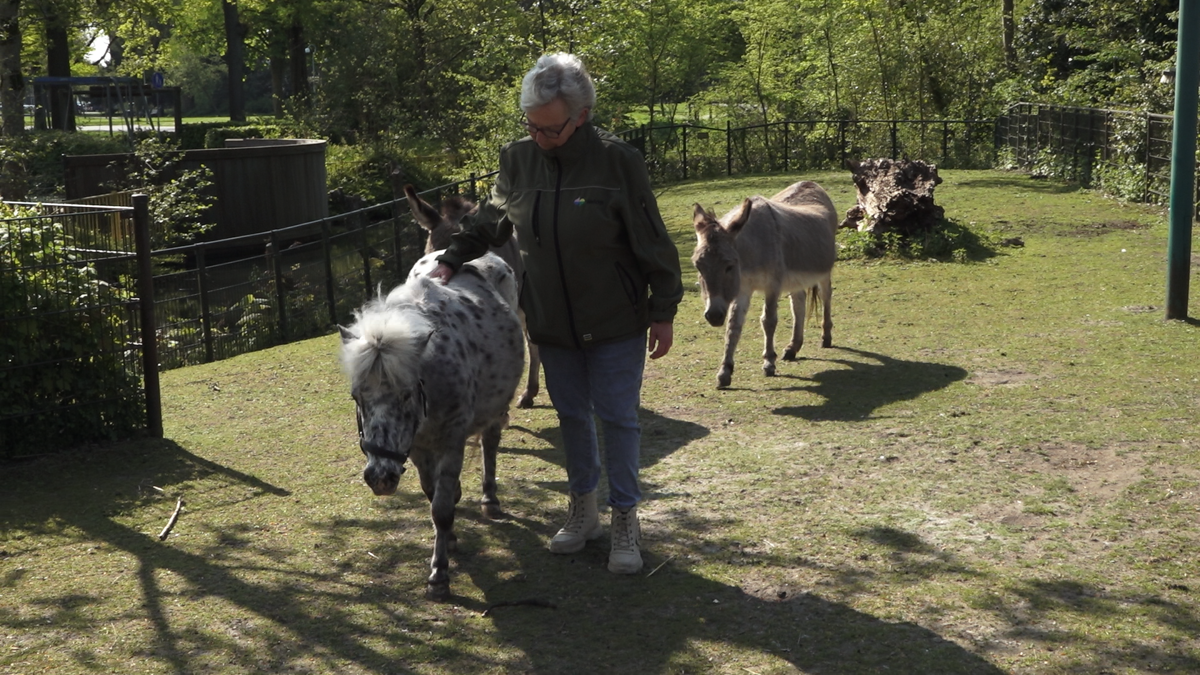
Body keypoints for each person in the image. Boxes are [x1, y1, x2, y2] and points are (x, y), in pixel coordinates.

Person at [429, 52, 683, 574]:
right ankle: (582, 511)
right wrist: (452, 258)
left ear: (582, 116)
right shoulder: (517, 159)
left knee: (617, 417)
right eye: (532, 126)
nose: (540, 137)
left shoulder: (619, 162)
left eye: (551, 129)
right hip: (551, 318)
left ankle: (625, 521)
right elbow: (492, 223)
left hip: (615, 318)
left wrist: (663, 309)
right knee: (570, 417)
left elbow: (652, 241)